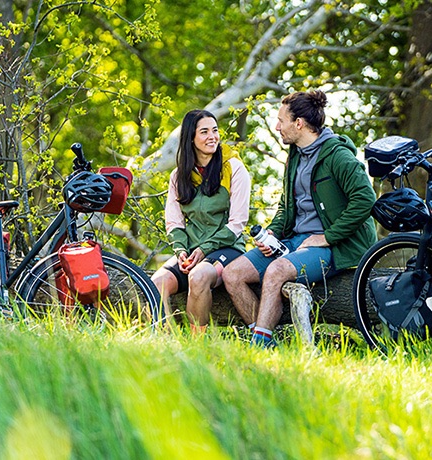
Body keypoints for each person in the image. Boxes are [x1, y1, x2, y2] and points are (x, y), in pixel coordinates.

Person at [222, 90, 377, 347]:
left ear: (299, 123)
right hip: (294, 242)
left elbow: (365, 200)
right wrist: (272, 233)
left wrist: (326, 237)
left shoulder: (338, 156)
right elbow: (286, 205)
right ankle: (264, 339)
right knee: (232, 274)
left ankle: (258, 347)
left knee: (276, 270)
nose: (277, 126)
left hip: (334, 247)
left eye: (281, 120)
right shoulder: (294, 155)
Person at [151, 109, 251, 333]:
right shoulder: (178, 176)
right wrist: (180, 251)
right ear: (191, 138)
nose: (212, 137)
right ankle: (165, 342)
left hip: (227, 248)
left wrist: (204, 250)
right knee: (155, 285)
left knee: (198, 276)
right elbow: (174, 222)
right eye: (204, 132)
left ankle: (196, 347)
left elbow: (237, 224)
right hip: (192, 251)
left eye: (215, 130)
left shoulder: (234, 167)